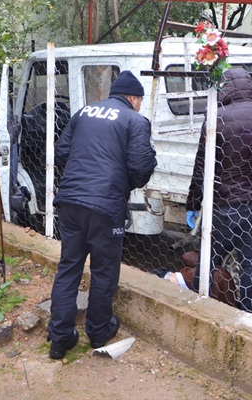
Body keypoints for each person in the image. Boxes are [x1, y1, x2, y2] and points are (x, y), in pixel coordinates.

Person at [47, 70, 157, 359]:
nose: (140, 105)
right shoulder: (135, 120)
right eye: (140, 101)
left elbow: (61, 153)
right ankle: (98, 331)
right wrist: (121, 183)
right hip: (105, 206)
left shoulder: (83, 113)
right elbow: (142, 167)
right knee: (104, 270)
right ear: (134, 98)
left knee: (69, 266)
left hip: (70, 202)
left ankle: (60, 338)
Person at [185, 68, 252, 315]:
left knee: (208, 258)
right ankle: (248, 314)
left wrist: (193, 205)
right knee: (250, 262)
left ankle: (200, 308)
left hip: (223, 206)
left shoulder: (216, 117)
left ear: (225, 87)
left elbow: (202, 167)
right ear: (250, 87)